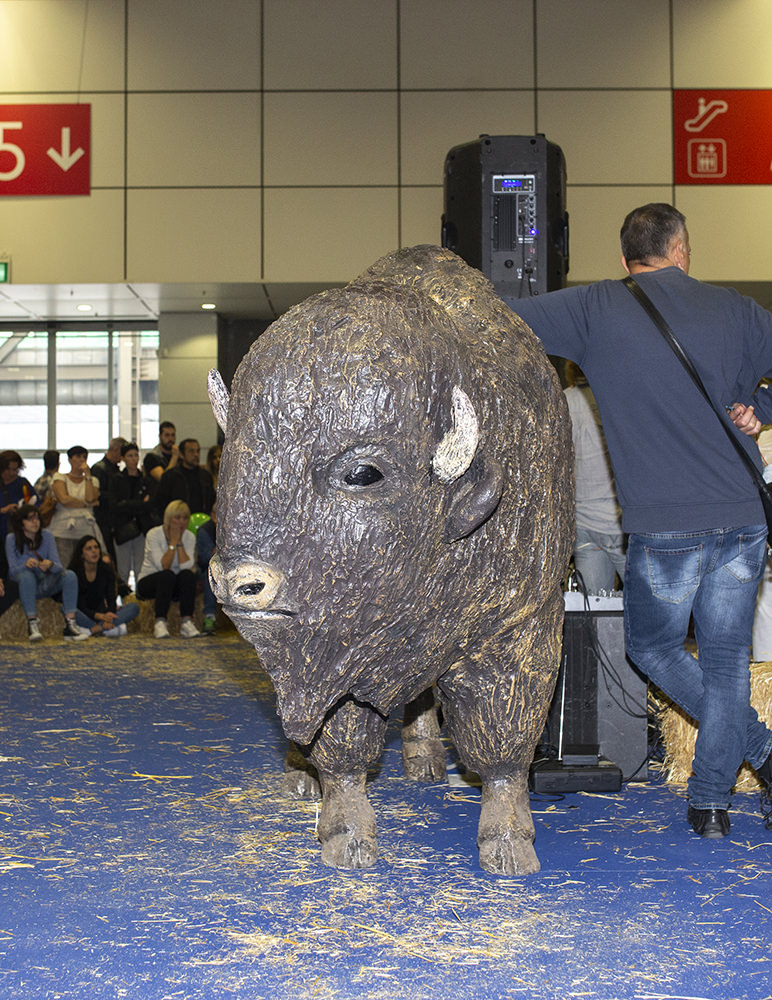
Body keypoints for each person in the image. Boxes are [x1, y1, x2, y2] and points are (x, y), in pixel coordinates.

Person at [511, 202, 772, 840]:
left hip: (664, 526)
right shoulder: (739, 311)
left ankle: (759, 759)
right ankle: (711, 801)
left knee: (651, 648)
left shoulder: (597, 308)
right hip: (741, 517)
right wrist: (760, 406)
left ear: (626, 260)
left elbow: (498, 319)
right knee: (726, 662)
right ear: (682, 249)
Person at [563, 362, 626, 593]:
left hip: (583, 523)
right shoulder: (618, 399)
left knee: (595, 615)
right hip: (620, 523)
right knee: (644, 615)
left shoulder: (563, 400)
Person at [5, 505, 89, 641]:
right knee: (27, 576)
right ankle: (32, 624)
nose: (35, 522)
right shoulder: (11, 539)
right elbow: (12, 571)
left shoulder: (47, 536)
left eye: (37, 518)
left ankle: (70, 625)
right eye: (30, 519)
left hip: (44, 582)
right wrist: (25, 565)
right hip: (24, 585)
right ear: (21, 522)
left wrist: (50, 565)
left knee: (70, 575)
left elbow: (59, 567)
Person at [136, 499, 201, 638]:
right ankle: (160, 622)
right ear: (168, 519)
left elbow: (187, 566)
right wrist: (173, 541)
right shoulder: (153, 534)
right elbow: (163, 565)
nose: (181, 522)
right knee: (167, 575)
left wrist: (179, 543)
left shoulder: (189, 536)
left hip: (175, 584)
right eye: (177, 518)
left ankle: (186, 622)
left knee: (188, 575)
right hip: (150, 581)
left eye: (185, 518)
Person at [68, 534, 139, 637]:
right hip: (85, 614)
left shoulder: (106, 570)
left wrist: (109, 614)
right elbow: (79, 604)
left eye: (96, 547)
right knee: (67, 609)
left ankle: (94, 630)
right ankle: (108, 629)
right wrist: (100, 616)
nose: (94, 551)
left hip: (102, 613)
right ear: (82, 554)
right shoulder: (74, 573)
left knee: (134, 607)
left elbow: (111, 598)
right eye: (89, 548)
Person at [110, 441, 158, 591]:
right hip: (122, 529)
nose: (134, 459)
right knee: (123, 570)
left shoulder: (146, 480)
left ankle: (140, 599)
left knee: (140, 569)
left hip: (141, 529)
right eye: (130, 456)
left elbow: (150, 505)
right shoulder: (116, 479)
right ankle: (123, 600)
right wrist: (138, 504)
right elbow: (115, 506)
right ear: (123, 458)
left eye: (136, 455)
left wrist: (127, 504)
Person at [48, 445, 104, 568]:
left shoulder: (93, 480)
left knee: (85, 567)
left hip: (85, 529)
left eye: (84, 457)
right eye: (78, 456)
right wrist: (85, 504)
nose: (81, 460)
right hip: (62, 529)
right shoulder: (60, 477)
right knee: (64, 567)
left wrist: (88, 475)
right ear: (70, 459)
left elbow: (90, 497)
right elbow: (64, 499)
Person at [156, 438, 215, 517]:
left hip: (202, 520)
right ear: (181, 454)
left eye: (198, 451)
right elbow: (161, 503)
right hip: (177, 521)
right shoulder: (170, 476)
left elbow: (211, 500)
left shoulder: (205, 476)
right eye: (191, 451)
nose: (196, 455)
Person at [91, 437, 127, 564]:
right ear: (116, 449)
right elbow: (96, 493)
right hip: (103, 519)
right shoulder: (99, 468)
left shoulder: (115, 469)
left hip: (112, 520)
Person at [0, 450, 38, 540]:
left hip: (16, 533)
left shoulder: (22, 483)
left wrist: (23, 509)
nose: (12, 473)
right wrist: (3, 510)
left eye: (15, 470)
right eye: (8, 469)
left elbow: (36, 503)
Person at [196, 501, 217, 635]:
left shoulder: (237, 529)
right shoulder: (205, 530)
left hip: (232, 569)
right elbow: (210, 558)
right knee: (212, 572)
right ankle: (209, 616)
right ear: (212, 515)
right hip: (205, 568)